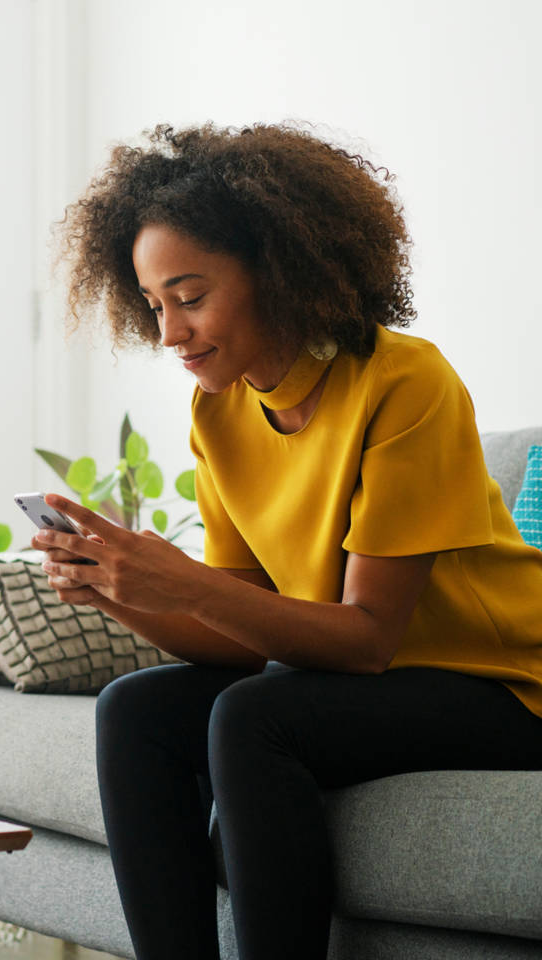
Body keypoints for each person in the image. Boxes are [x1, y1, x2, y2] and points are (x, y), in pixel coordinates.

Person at [29, 123, 542, 960]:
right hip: (374, 683)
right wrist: (123, 590)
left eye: (189, 297)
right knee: (138, 708)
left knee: (256, 716)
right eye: (155, 305)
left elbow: (369, 639)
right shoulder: (219, 410)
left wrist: (177, 578)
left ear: (277, 269)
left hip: (506, 685)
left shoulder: (404, 382)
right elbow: (239, 633)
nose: (168, 333)